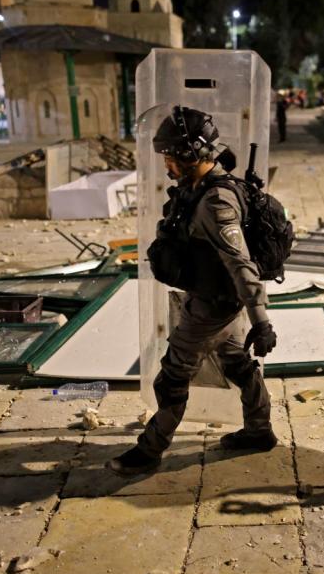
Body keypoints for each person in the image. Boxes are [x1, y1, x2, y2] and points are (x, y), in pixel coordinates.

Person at [107, 106, 278, 476]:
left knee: (172, 376)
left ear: (189, 154)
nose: (166, 164)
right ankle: (259, 430)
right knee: (235, 361)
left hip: (212, 306)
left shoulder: (216, 203)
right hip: (214, 298)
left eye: (170, 156)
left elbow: (240, 263)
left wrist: (261, 321)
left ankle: (150, 450)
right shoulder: (199, 189)